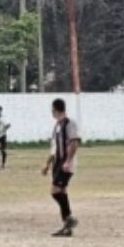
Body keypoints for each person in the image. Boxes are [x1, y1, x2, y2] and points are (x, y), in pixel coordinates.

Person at [41, 98, 80, 237]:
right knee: (61, 191)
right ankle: (67, 227)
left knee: (55, 191)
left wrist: (68, 161)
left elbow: (74, 143)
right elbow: (54, 148)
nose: (51, 112)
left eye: (52, 109)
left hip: (66, 164)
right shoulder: (57, 126)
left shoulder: (69, 123)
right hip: (58, 163)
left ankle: (70, 219)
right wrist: (47, 164)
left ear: (55, 109)